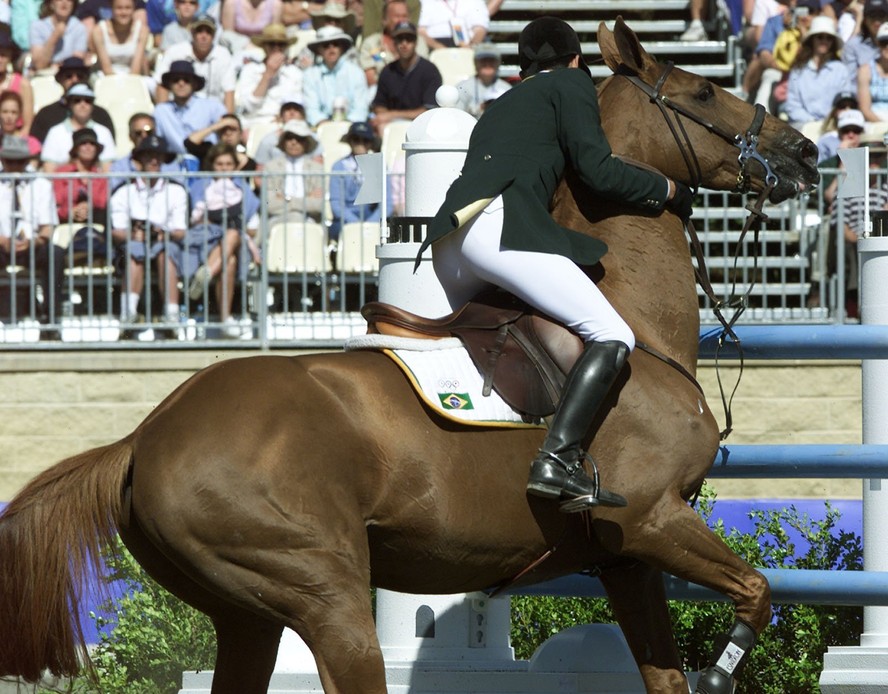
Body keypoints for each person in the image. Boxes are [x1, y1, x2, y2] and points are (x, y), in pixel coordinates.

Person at [417, 17, 693, 512]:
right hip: (498, 230)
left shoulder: (503, 102)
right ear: (575, 60)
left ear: (525, 68)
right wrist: (666, 189)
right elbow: (598, 169)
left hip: (450, 243)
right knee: (613, 334)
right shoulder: (571, 84)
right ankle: (557, 459)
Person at [109, 133, 189, 333]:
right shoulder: (123, 190)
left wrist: (161, 234)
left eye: (158, 156)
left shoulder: (176, 190)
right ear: (139, 160)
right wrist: (135, 235)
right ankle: (129, 314)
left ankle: (171, 315)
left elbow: (179, 232)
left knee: (166, 251)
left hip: (165, 243)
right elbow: (117, 231)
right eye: (148, 155)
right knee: (135, 251)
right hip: (132, 245)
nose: (154, 160)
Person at [187, 142, 261, 337]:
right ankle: (225, 319)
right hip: (206, 239)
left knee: (234, 234)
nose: (224, 168)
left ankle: (207, 273)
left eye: (229, 164)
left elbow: (252, 226)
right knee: (230, 261)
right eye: (220, 164)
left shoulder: (243, 187)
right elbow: (195, 219)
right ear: (212, 165)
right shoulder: (201, 186)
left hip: (238, 241)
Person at [0, 135, 64, 333]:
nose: (15, 166)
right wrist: (2, 241)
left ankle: (51, 319)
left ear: (27, 161)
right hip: (1, 244)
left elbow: (47, 227)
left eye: (19, 161)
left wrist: (33, 242)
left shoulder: (41, 184)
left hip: (31, 245)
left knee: (55, 253)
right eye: (10, 161)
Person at [370, 21, 442, 134]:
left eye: (409, 39)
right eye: (400, 39)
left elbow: (429, 111)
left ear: (416, 42)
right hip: (393, 124)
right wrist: (385, 116)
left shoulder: (429, 70)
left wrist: (391, 115)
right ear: (394, 43)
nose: (404, 43)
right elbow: (379, 105)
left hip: (423, 126)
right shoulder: (387, 71)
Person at [154, 14, 235, 109]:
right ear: (192, 33)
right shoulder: (175, 51)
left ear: (214, 35)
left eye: (208, 32)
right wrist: (164, 114)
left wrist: (228, 120)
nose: (204, 36)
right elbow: (161, 84)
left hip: (212, 111)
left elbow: (229, 91)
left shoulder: (223, 55)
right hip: (178, 108)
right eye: (199, 31)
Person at [52, 127, 109, 259]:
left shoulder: (101, 176)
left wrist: (89, 207)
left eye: (92, 144)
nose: (88, 147)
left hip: (94, 221)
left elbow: (102, 201)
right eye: (83, 143)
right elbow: (56, 200)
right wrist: (71, 212)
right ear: (76, 148)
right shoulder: (61, 173)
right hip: (65, 223)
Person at [29, 57, 115, 143]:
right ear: (60, 80)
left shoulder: (101, 115)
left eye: (80, 76)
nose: (74, 80)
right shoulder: (46, 114)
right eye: (68, 76)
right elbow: (35, 146)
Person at [783, 15, 850, 126]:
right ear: (812, 40)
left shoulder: (840, 70)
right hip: (803, 125)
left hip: (833, 126)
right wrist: (812, 122)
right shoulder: (798, 70)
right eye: (820, 37)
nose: (824, 41)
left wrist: (828, 123)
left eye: (828, 38)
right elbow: (792, 105)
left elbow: (844, 102)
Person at [234, 23, 304, 128]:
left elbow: (296, 104)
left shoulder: (295, 73)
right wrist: (267, 74)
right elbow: (249, 106)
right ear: (264, 46)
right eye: (272, 44)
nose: (276, 48)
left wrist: (283, 118)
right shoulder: (250, 70)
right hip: (254, 122)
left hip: (285, 124)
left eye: (281, 45)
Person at [154, 60, 228, 157]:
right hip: (174, 166)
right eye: (176, 80)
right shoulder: (160, 111)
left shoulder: (213, 107)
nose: (181, 83)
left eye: (186, 80)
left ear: (194, 84)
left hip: (207, 162)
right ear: (169, 84)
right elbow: (158, 142)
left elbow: (230, 129)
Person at [303, 25, 369, 126]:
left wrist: (348, 124)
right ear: (319, 50)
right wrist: (326, 125)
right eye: (326, 45)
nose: (331, 49)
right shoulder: (310, 75)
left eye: (335, 44)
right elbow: (311, 109)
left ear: (342, 47)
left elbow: (361, 108)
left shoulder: (356, 72)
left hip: (352, 126)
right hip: (321, 127)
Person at [41, 83, 117, 171]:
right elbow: (49, 169)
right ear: (70, 104)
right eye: (77, 100)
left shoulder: (104, 132)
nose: (83, 104)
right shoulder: (55, 132)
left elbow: (107, 170)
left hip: (96, 184)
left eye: (88, 100)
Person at [263, 119, 324, 225]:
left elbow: (318, 205)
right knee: (295, 218)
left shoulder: (317, 169)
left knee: (297, 219)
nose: (294, 142)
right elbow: (269, 205)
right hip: (277, 221)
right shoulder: (271, 167)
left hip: (310, 221)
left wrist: (287, 199)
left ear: (306, 142)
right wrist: (306, 199)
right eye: (289, 137)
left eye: (299, 138)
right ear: (283, 141)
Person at [359, 0, 429, 89]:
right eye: (397, 16)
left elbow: (421, 72)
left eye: (405, 16)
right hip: (381, 93)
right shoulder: (371, 43)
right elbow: (370, 79)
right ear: (384, 20)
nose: (401, 21)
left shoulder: (419, 42)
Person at [329, 121, 380, 240]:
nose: (360, 144)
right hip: (345, 220)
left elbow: (387, 204)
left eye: (365, 140)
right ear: (350, 141)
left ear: (371, 143)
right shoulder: (339, 166)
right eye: (356, 139)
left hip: (372, 218)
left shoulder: (379, 165)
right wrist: (355, 222)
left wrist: (370, 223)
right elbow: (336, 204)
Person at [91, 0, 149, 76]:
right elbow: (106, 69)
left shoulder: (142, 31)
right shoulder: (99, 31)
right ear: (111, 8)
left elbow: (136, 70)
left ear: (134, 8)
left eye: (128, 8)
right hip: (105, 77)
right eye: (119, 8)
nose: (123, 12)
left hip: (133, 77)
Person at [29, 0, 89, 71]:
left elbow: (76, 61)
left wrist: (57, 66)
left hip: (67, 74)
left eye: (69, 0)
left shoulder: (79, 27)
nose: (64, 2)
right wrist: (55, 36)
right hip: (43, 74)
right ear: (51, 4)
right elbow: (39, 65)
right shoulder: (37, 26)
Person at [455, 42, 510, 117]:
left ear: (498, 63)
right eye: (483, 60)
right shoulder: (462, 88)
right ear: (475, 63)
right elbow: (457, 116)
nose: (487, 64)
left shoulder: (507, 89)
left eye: (491, 60)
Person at [843, 0, 888, 81]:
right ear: (865, 19)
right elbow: (850, 81)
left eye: (881, 15)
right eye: (872, 15)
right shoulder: (853, 46)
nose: (877, 20)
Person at [252, 99, 307, 165]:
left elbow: (318, 168)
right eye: (287, 110)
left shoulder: (314, 139)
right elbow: (259, 169)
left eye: (296, 110)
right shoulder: (268, 140)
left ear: (303, 117)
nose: (292, 113)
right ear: (281, 117)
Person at [0, 28, 33, 134]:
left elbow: (27, 126)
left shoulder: (23, 84)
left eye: (3, 55)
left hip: (14, 142)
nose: (0, 59)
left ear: (10, 57)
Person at [418, 0, 488, 49]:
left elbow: (480, 30)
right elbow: (421, 31)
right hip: (434, 45)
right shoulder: (425, 2)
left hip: (467, 44)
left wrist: (470, 47)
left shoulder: (475, 1)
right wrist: (439, 48)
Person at [817, 90, 861, 160]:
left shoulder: (866, 136)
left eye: (852, 107)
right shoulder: (825, 141)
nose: (848, 110)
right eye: (842, 107)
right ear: (834, 111)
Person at [857, 22, 888, 119]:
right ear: (878, 44)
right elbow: (865, 109)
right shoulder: (866, 70)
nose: (887, 47)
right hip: (874, 124)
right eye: (884, 43)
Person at [0, 91, 40, 159]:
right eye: (5, 112)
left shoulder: (31, 144)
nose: (9, 117)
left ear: (19, 114)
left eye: (14, 112)